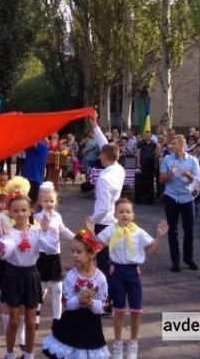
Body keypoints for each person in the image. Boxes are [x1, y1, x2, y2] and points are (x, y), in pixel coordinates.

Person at [91, 199, 168, 359]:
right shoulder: (111, 230)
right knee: (118, 310)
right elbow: (95, 247)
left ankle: (133, 344)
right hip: (116, 272)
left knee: (136, 310)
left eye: (128, 211)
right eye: (121, 211)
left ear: (133, 215)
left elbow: (152, 250)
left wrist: (159, 237)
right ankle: (118, 344)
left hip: (133, 273)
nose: (124, 214)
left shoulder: (139, 232)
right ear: (115, 214)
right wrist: (91, 233)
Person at [0, 177, 59, 359]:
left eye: (23, 210)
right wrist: (5, 236)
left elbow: (51, 249)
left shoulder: (37, 231)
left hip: (31, 275)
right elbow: (3, 254)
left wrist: (45, 232)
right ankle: (9, 353)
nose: (20, 214)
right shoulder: (9, 231)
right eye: (16, 211)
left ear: (31, 211)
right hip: (12, 275)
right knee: (13, 321)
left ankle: (29, 355)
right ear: (10, 212)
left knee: (30, 321)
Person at [41, 230, 108, 359]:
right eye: (73, 251)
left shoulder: (101, 278)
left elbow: (103, 306)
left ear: (91, 254)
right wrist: (79, 300)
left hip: (91, 326)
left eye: (79, 252)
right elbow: (66, 303)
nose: (74, 255)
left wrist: (91, 303)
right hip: (72, 322)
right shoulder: (72, 276)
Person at [87, 112, 124, 313]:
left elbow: (101, 208)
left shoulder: (103, 178)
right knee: (112, 262)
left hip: (104, 223)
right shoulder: (118, 169)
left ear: (102, 157)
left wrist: (90, 221)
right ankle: (113, 301)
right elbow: (106, 145)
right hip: (115, 222)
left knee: (104, 265)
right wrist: (95, 125)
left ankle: (107, 304)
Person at [34, 182, 74, 329]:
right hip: (42, 256)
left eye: (51, 200)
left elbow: (63, 229)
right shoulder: (37, 217)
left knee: (58, 288)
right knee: (42, 287)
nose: (49, 203)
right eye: (45, 201)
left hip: (55, 256)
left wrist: (76, 237)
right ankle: (36, 311)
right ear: (40, 202)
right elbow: (35, 235)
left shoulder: (57, 216)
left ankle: (57, 321)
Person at [159, 134, 200, 272]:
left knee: (189, 229)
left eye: (174, 143)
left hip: (187, 197)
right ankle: (175, 261)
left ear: (183, 145)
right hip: (171, 196)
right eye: (171, 144)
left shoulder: (193, 161)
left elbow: (196, 181)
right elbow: (161, 179)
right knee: (173, 229)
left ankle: (188, 259)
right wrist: (171, 173)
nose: (171, 146)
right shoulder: (167, 159)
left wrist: (188, 175)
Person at [22, 140, 49, 205]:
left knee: (35, 198)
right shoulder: (31, 146)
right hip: (28, 175)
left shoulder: (43, 145)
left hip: (36, 178)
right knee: (27, 198)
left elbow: (34, 143)